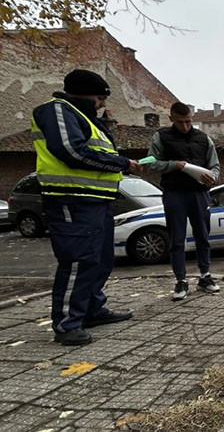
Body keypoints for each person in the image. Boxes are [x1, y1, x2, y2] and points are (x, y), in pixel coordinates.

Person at [31, 69, 139, 346]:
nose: (103, 103)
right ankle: (67, 323)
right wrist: (121, 164)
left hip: (96, 201)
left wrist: (117, 153)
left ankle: (92, 309)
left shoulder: (86, 118)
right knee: (78, 260)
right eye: (100, 98)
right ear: (85, 94)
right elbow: (72, 152)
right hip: (70, 199)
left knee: (100, 260)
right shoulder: (57, 110)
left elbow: (97, 150)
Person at [147, 102, 220, 301]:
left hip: (199, 194)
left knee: (203, 236)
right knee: (177, 239)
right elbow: (151, 163)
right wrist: (174, 165)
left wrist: (212, 176)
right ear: (171, 119)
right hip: (174, 194)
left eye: (189, 121)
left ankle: (205, 276)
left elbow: (215, 166)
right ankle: (181, 280)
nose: (186, 126)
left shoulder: (204, 138)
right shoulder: (160, 137)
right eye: (181, 122)